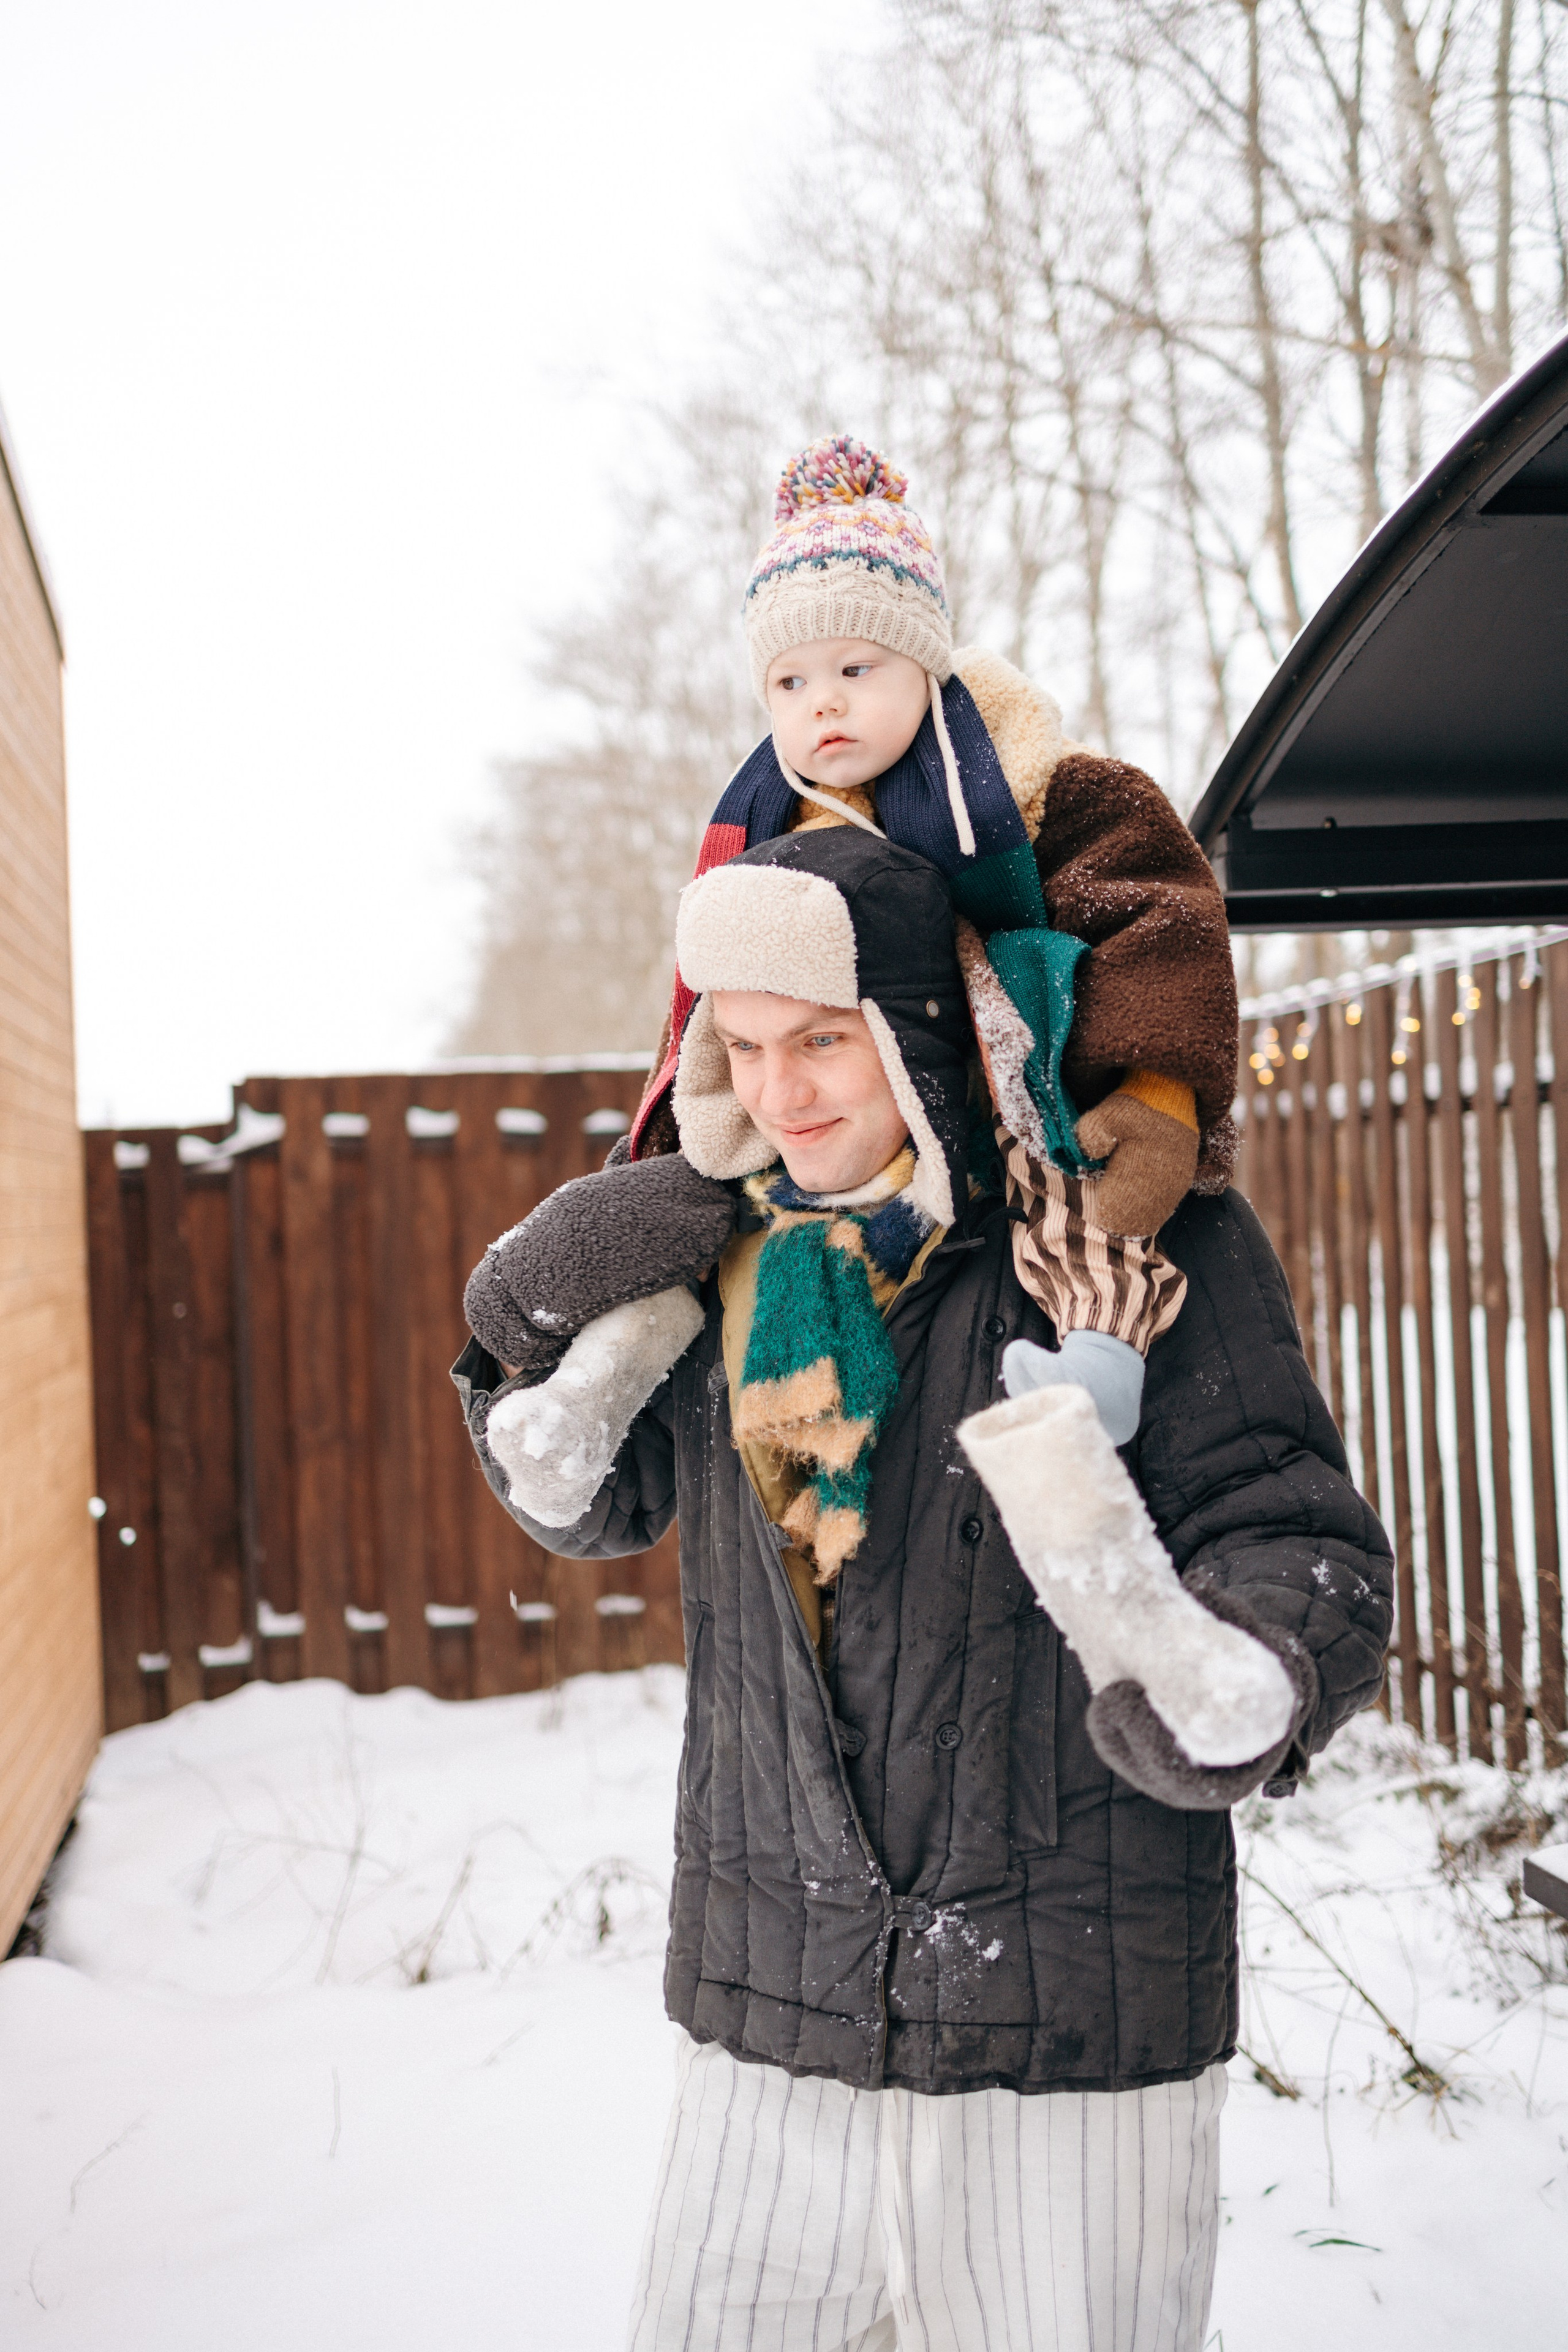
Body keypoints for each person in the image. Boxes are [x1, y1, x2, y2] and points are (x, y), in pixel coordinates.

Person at [453, 826, 1392, 2351]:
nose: (782, 1090)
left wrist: (1249, 1671)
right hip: (776, 2020)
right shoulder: (719, 1267)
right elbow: (590, 1499)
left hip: (1066, 2028)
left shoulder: (1126, 1248)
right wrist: (520, 1329)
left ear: (920, 1029)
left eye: (822, 1039)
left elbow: (1297, 1539)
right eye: (743, 1047)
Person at [625, 434, 1242, 1447]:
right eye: (788, 683)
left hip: (1014, 1077)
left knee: (1069, 1179)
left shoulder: (1040, 788)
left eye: (855, 667)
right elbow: (713, 1004)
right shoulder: (767, 832)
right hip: (858, 1147)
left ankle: (1096, 1358)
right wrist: (658, 1140)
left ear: (923, 662)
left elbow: (1158, 923)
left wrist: (1157, 1090)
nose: (821, 701)